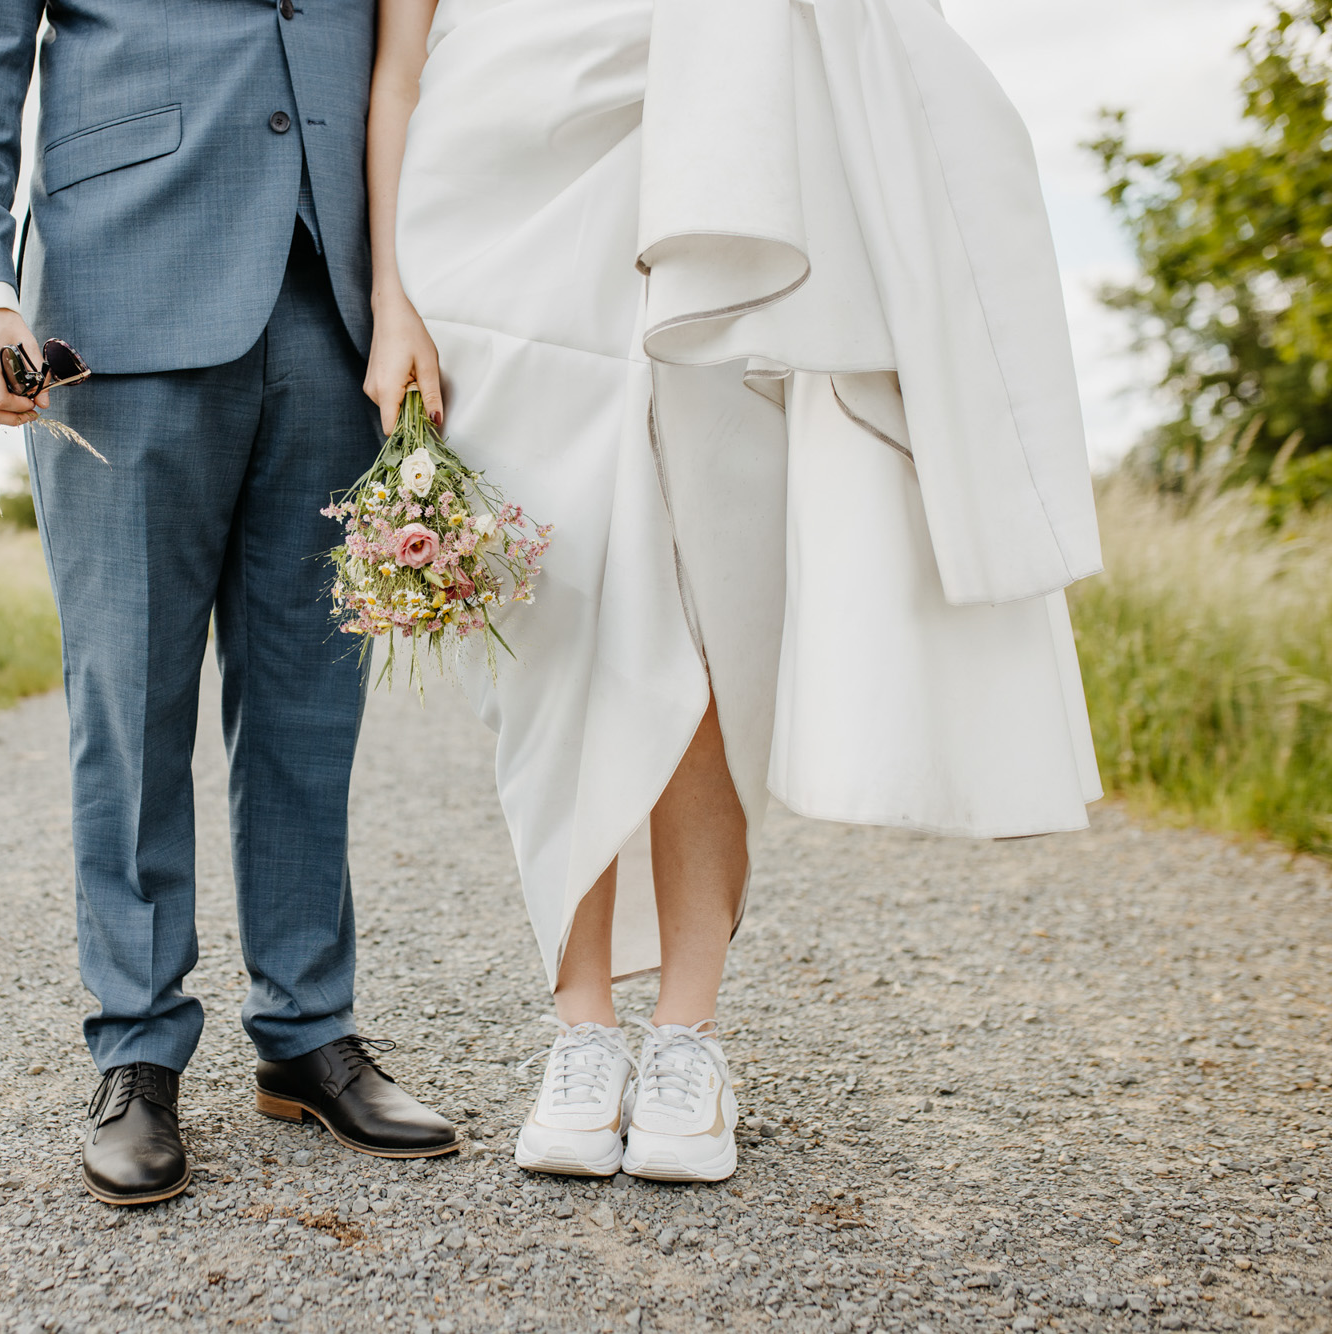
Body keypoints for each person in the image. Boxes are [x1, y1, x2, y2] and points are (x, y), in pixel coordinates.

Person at [364, 0, 1103, 1182]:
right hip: (486, 260)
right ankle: (581, 1031)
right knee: (545, 655)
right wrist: (391, 296)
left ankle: (687, 1039)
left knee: (703, 625)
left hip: (688, 218)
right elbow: (395, 69)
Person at [0, 0, 458, 1207]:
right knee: (130, 692)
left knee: (310, 701)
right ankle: (135, 1046)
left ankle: (306, 1031)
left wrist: (412, 282)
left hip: (335, 303)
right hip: (114, 306)